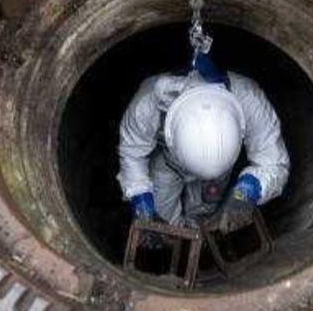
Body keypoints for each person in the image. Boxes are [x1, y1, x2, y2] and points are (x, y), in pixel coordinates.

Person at [117, 50, 290, 230]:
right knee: (161, 224)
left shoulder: (250, 100)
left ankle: (202, 236)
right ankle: (169, 242)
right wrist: (141, 199)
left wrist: (249, 190)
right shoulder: (146, 104)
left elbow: (273, 162)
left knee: (204, 219)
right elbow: (132, 154)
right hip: (169, 163)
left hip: (219, 170)